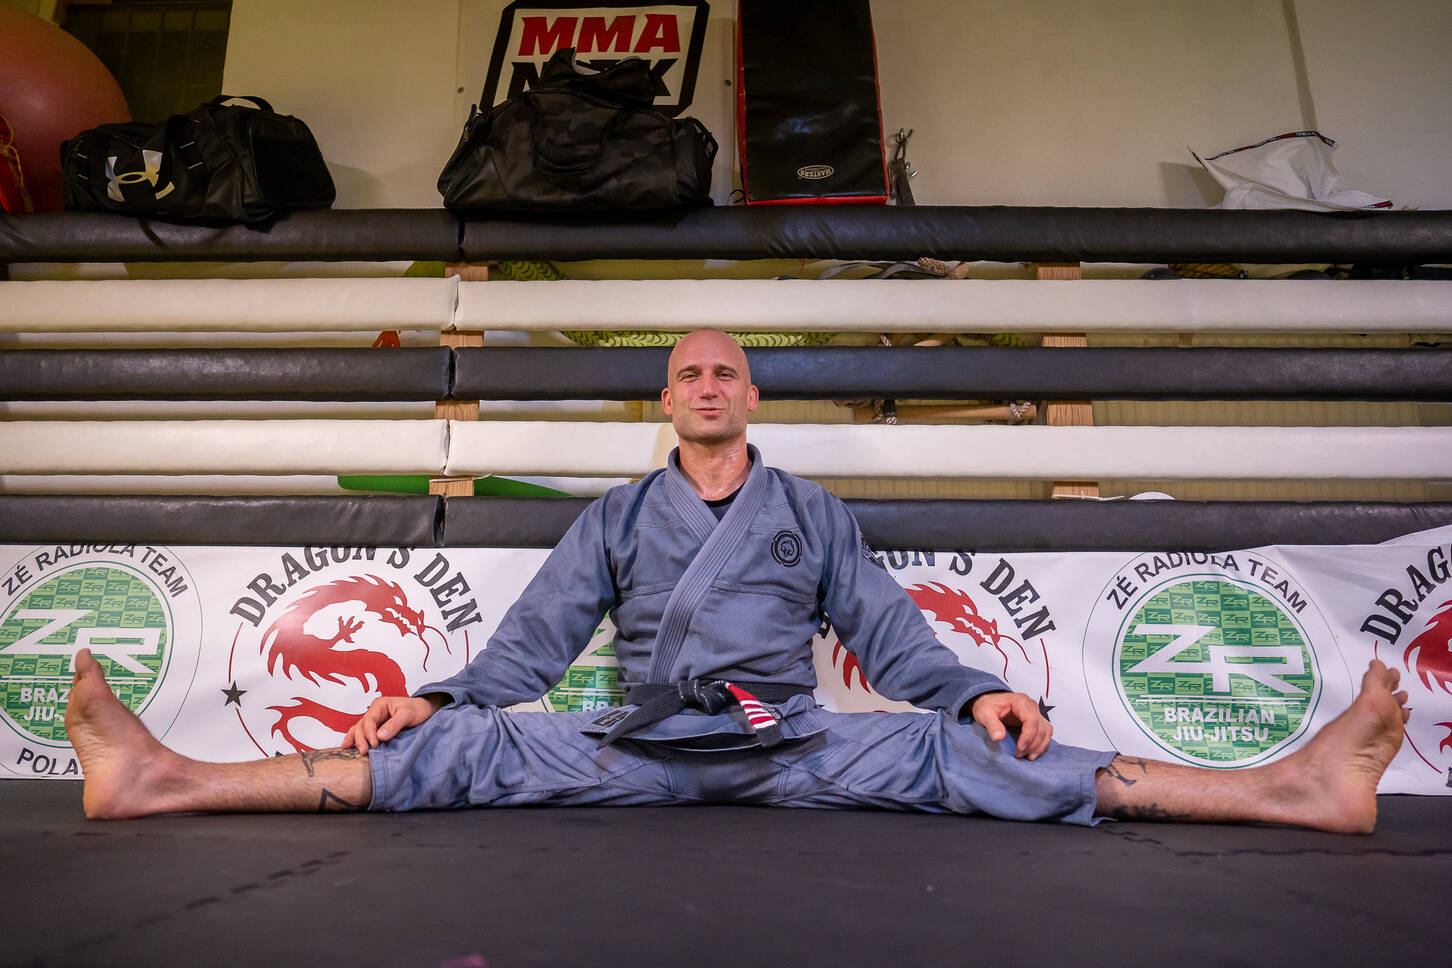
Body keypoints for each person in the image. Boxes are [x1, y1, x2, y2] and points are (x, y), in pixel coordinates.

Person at [65, 330, 1411, 832]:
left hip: (792, 750)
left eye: (726, 371)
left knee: (980, 757)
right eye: (686, 373)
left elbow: (894, 641)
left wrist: (980, 691)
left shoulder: (810, 510)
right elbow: (532, 645)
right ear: (666, 400)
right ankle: (164, 779)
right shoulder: (616, 514)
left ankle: (1288, 790)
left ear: (750, 396)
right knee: (458, 750)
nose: (706, 387)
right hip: (639, 750)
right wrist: (438, 693)